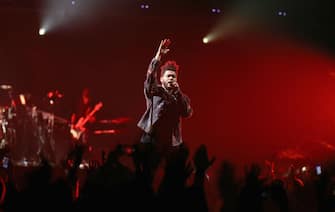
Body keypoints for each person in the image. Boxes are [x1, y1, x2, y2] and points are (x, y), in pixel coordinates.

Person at [137, 39, 193, 175]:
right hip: (151, 140)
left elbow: (186, 113)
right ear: (161, 79)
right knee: (148, 173)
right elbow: (150, 78)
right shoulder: (155, 91)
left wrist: (178, 93)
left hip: (169, 144)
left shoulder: (181, 97)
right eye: (168, 76)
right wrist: (158, 57)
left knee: (170, 174)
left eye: (173, 77)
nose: (171, 79)